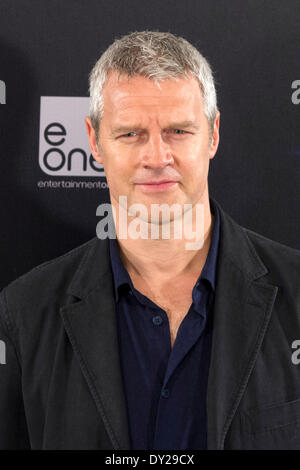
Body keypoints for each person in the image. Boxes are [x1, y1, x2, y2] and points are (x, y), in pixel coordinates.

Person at [1, 30, 300, 451]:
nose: (157, 158)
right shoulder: (26, 313)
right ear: (94, 141)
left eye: (178, 131)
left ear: (213, 135)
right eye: (130, 134)